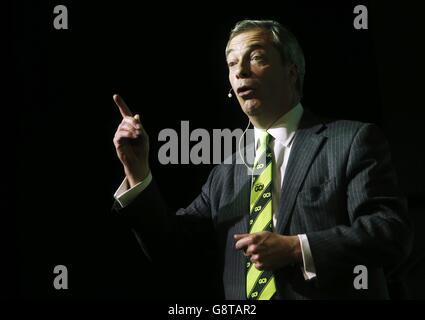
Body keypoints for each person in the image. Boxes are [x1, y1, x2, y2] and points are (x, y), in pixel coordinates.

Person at [111, 20, 412, 299]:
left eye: (256, 57)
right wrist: (137, 173)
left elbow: (390, 233)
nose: (240, 71)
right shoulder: (224, 174)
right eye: (231, 63)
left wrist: (298, 248)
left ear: (291, 71)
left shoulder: (350, 140)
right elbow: (173, 251)